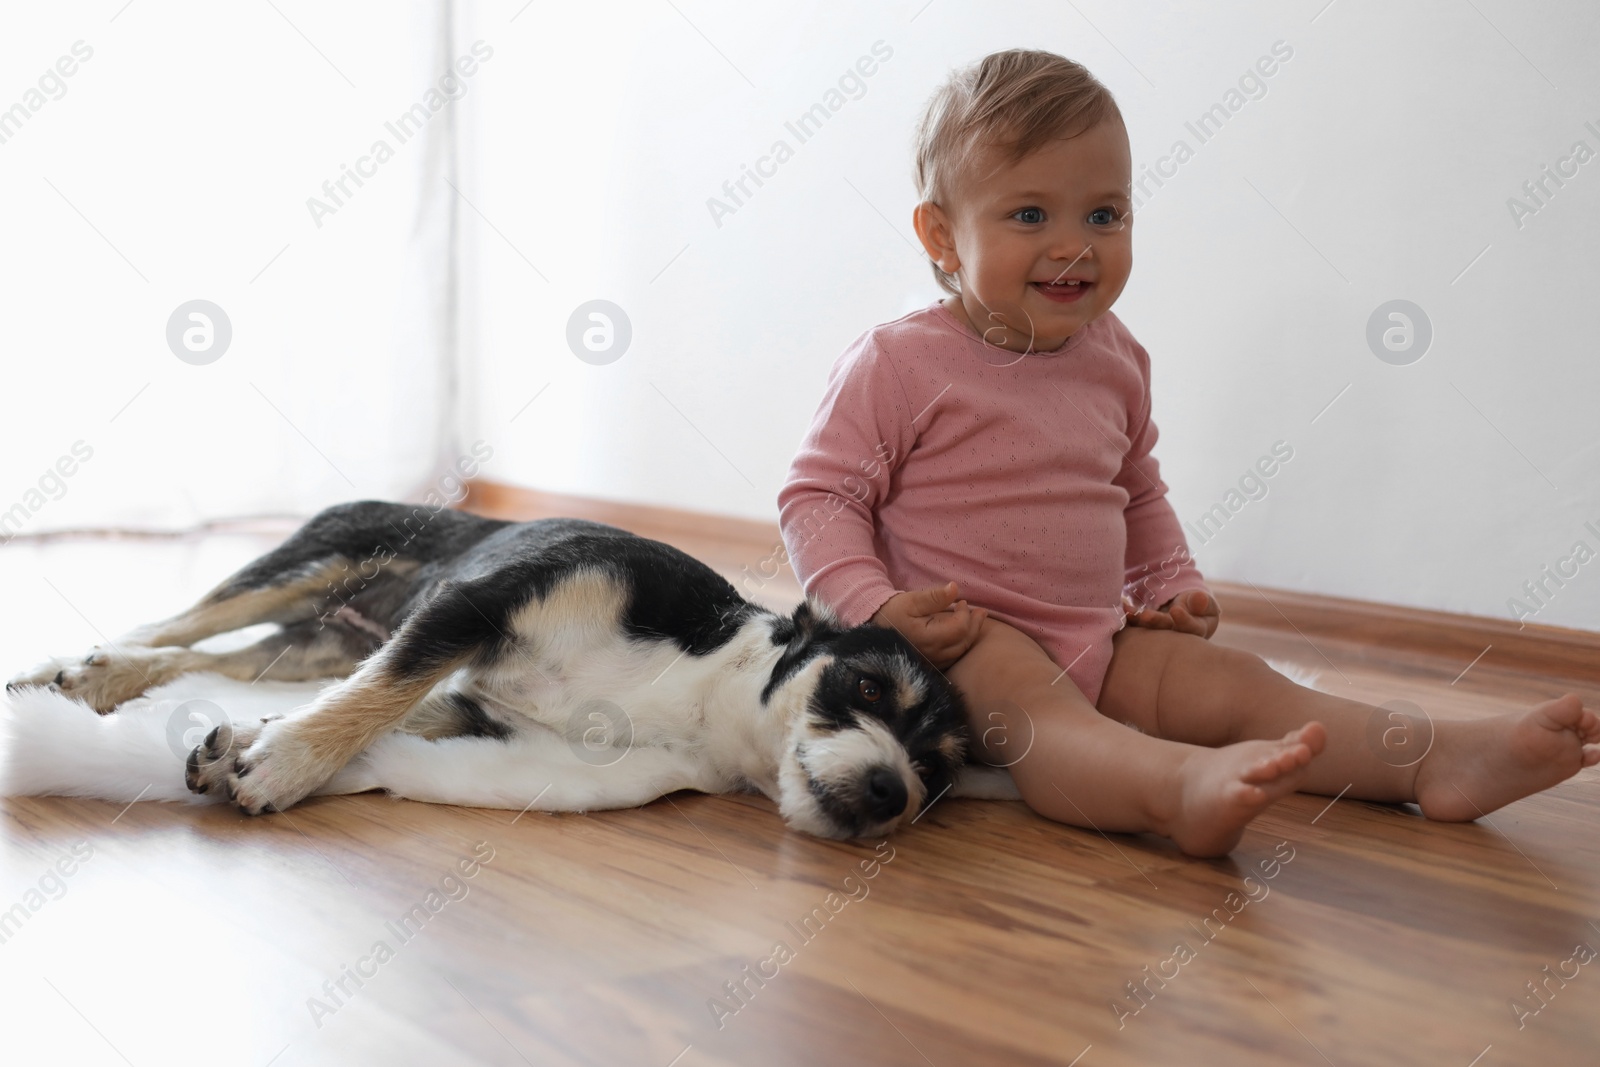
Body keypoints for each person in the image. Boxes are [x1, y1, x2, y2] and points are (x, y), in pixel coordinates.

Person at [777, 49, 1597, 856]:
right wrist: (876, 608)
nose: (1075, 246)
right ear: (942, 234)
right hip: (966, 644)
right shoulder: (899, 362)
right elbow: (819, 498)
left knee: (1245, 685)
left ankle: (1429, 758)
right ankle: (1175, 791)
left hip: (1096, 632)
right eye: (1030, 215)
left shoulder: (1115, 357)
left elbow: (1137, 492)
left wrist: (1169, 584)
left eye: (1105, 214)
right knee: (1047, 723)